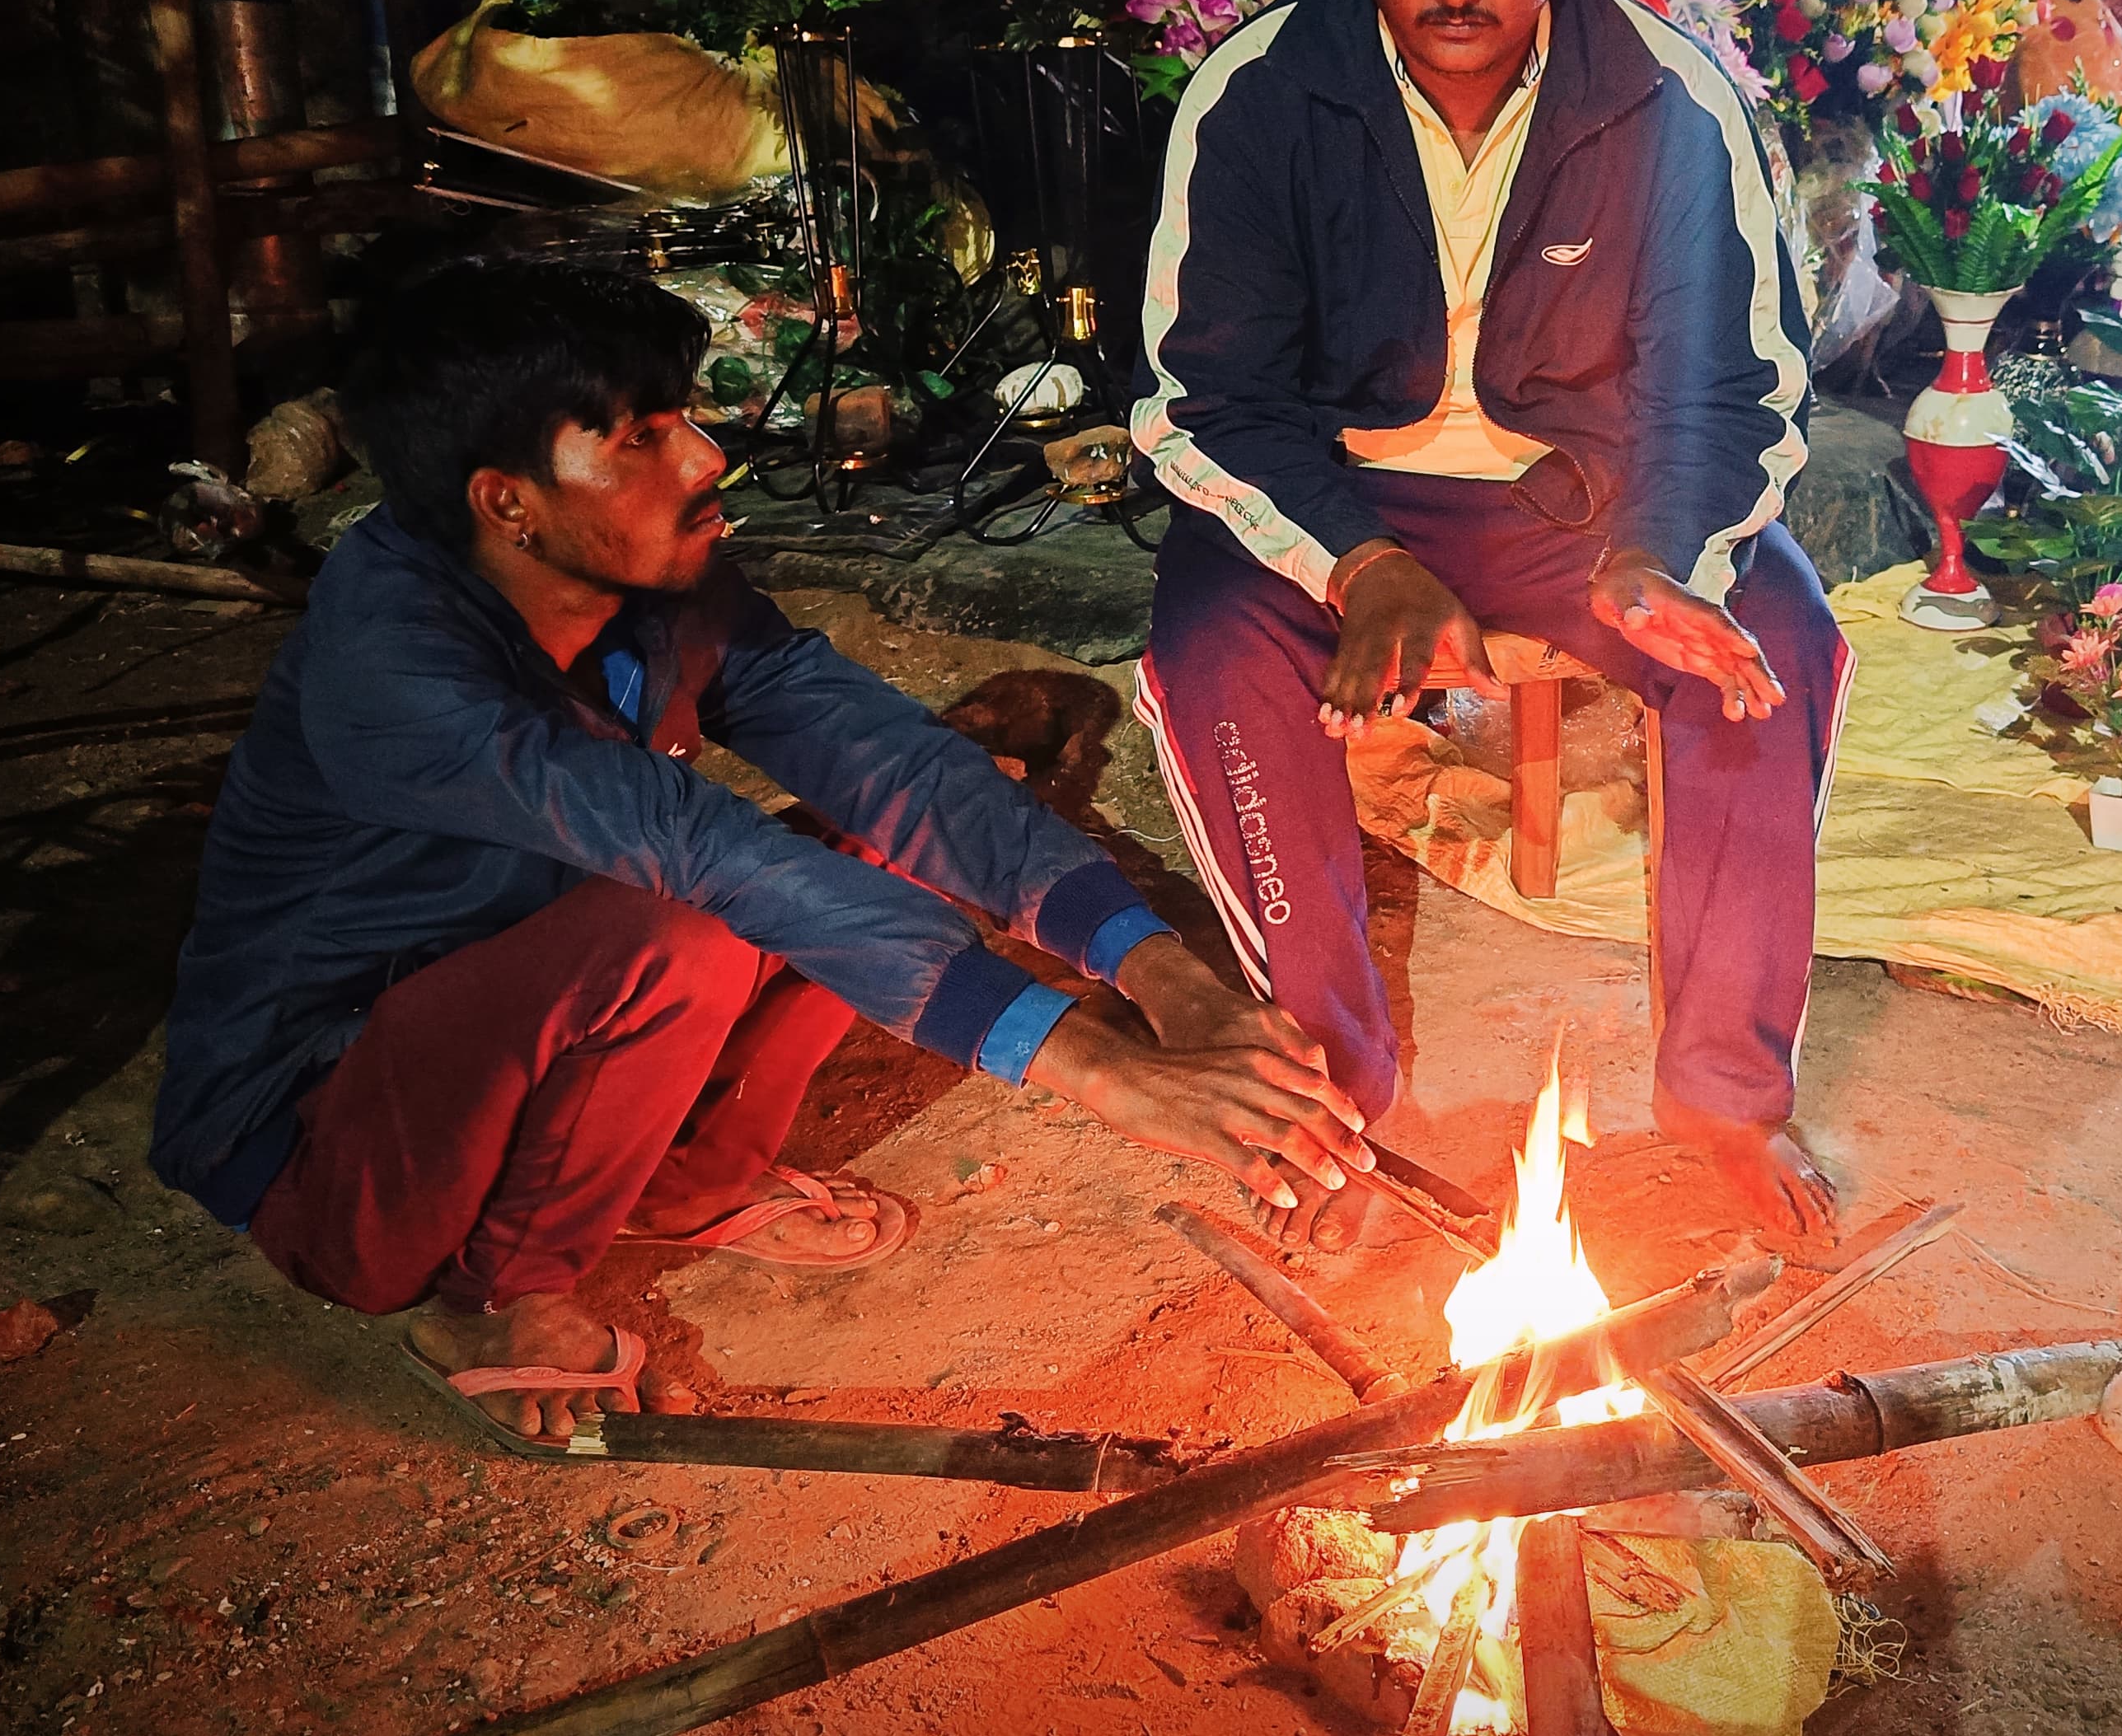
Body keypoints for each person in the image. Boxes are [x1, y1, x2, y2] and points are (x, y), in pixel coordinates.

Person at [149, 261, 1370, 1448]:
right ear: (504, 500)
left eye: (681, 420)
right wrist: (1101, 1069)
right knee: (677, 926)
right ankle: (495, 1294)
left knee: (897, 832)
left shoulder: (651, 583)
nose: (704, 460)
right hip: (333, 1138)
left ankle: (686, 1177)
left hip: (532, 1012)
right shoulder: (397, 673)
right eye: (636, 441)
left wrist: (1169, 983)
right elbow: (704, 852)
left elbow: (890, 767)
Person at [1128, 0, 1850, 1246]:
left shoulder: (1669, 103)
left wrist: (1663, 559)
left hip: (1576, 516)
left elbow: (1735, 388)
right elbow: (1208, 401)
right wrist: (1355, 564)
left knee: (1768, 647)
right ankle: (1326, 1092)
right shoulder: (1257, 95)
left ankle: (1725, 1098)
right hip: (1335, 507)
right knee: (1206, 648)